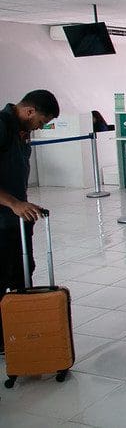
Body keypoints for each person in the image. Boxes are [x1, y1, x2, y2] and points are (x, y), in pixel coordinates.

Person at [0, 90, 59, 354]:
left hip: (16, 219)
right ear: (30, 112)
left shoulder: (20, 132)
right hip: (2, 219)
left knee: (24, 272)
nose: (40, 128)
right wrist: (14, 204)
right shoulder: (1, 127)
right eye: (41, 122)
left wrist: (23, 204)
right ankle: (4, 340)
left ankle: (23, 328)